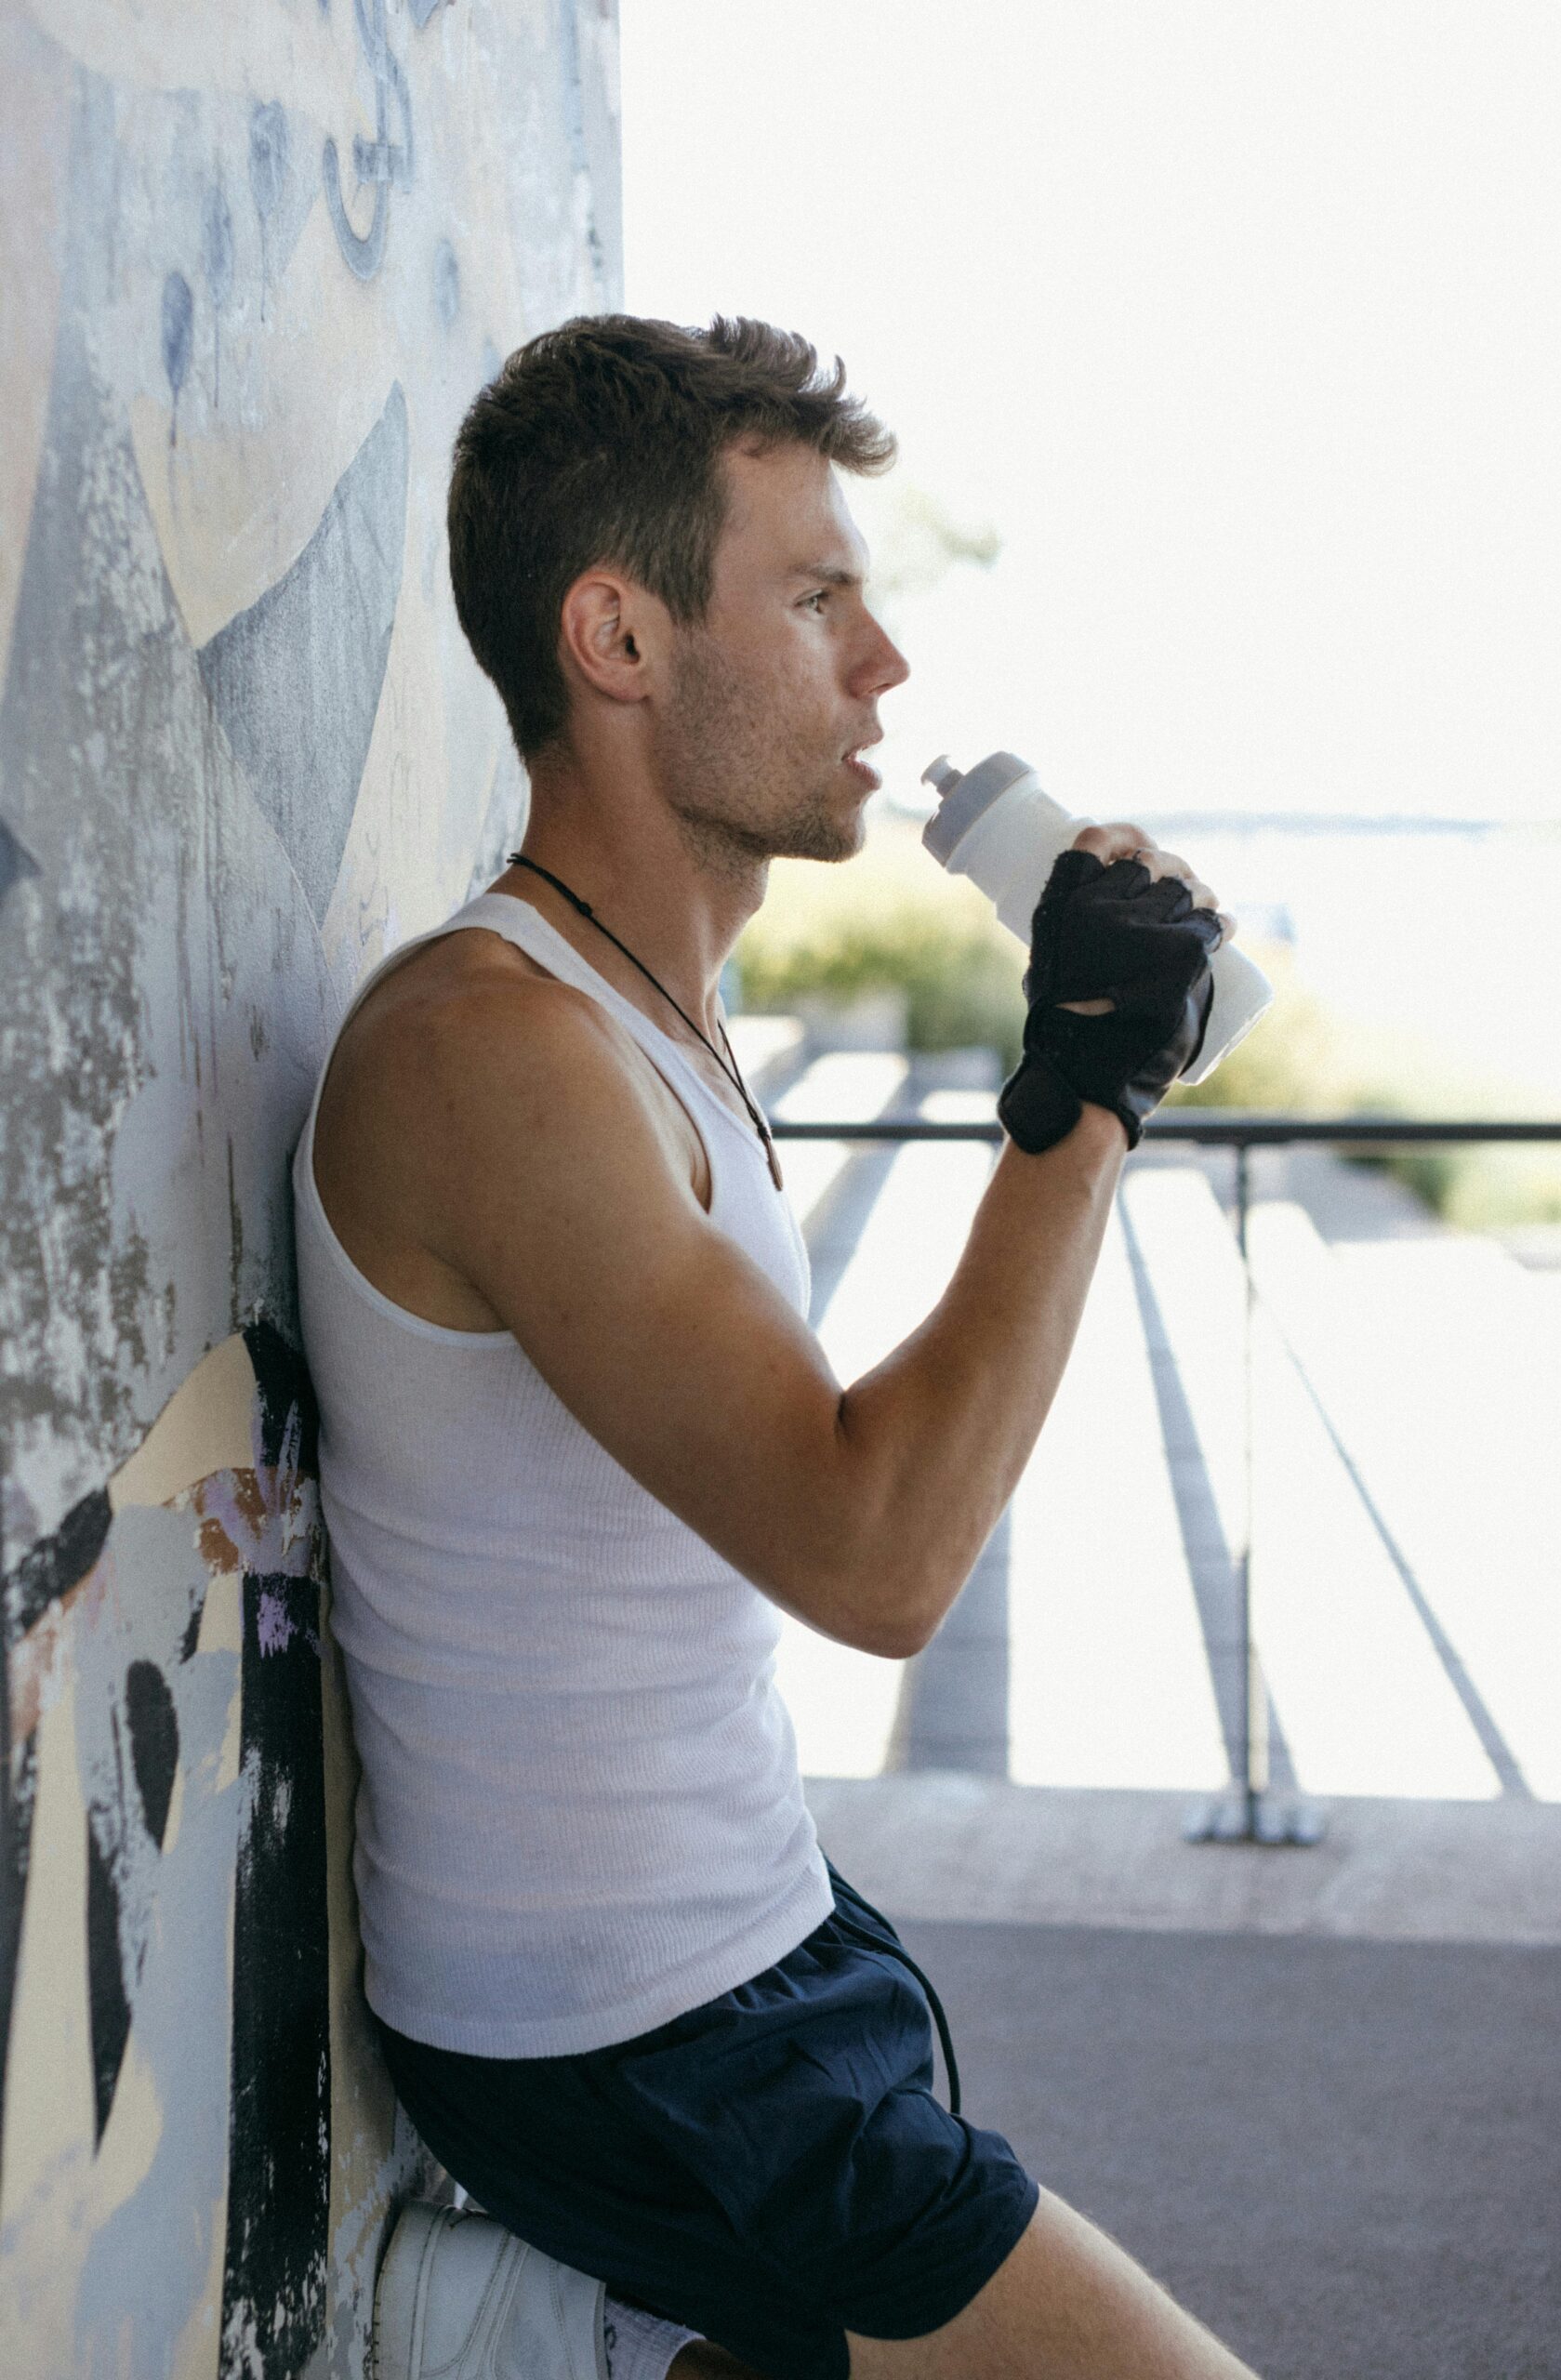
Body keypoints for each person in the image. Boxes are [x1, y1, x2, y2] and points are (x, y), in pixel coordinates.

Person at [293, 314, 1258, 2380]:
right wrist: (1079, 1086)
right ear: (617, 636)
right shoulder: (492, 1051)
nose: (882, 666)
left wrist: (1091, 1080)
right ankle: (512, 2325)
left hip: (754, 1933)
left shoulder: (646, 1016)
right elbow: (876, 1557)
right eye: (816, 598)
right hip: (622, 2033)